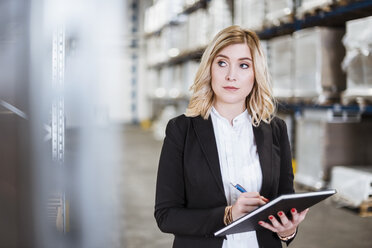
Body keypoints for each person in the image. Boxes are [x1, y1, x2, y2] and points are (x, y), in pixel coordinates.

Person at [154, 25, 308, 248]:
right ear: (210, 68)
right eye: (222, 63)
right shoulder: (181, 130)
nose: (231, 76)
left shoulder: (276, 130)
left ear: (256, 74)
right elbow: (166, 216)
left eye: (244, 65)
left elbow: (285, 204)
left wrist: (288, 230)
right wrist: (228, 215)